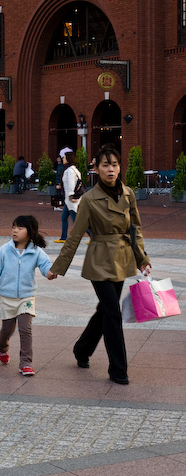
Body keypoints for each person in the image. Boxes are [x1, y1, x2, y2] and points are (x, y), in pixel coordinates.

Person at [48, 143, 151, 385]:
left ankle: (82, 349)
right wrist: (58, 267)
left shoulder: (128, 194)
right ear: (97, 168)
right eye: (105, 165)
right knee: (113, 312)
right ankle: (118, 368)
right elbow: (74, 236)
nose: (111, 170)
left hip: (121, 259)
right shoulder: (90, 199)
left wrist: (142, 259)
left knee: (105, 310)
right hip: (99, 260)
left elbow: (135, 229)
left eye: (114, 164)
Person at [0, 215, 53, 376]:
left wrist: (50, 273)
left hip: (26, 297)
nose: (15, 230)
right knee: (7, 329)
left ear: (30, 232)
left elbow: (47, 266)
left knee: (25, 329)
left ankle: (25, 363)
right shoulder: (4, 250)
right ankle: (1, 346)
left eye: (20, 228)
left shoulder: (36, 252)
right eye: (14, 227)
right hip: (7, 297)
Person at [54, 150, 89, 243]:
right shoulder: (74, 169)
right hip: (70, 199)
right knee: (64, 217)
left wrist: (71, 196)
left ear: (68, 159)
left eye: (64, 157)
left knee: (77, 221)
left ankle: (92, 235)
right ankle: (63, 237)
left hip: (71, 199)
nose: (63, 159)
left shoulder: (69, 171)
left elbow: (70, 184)